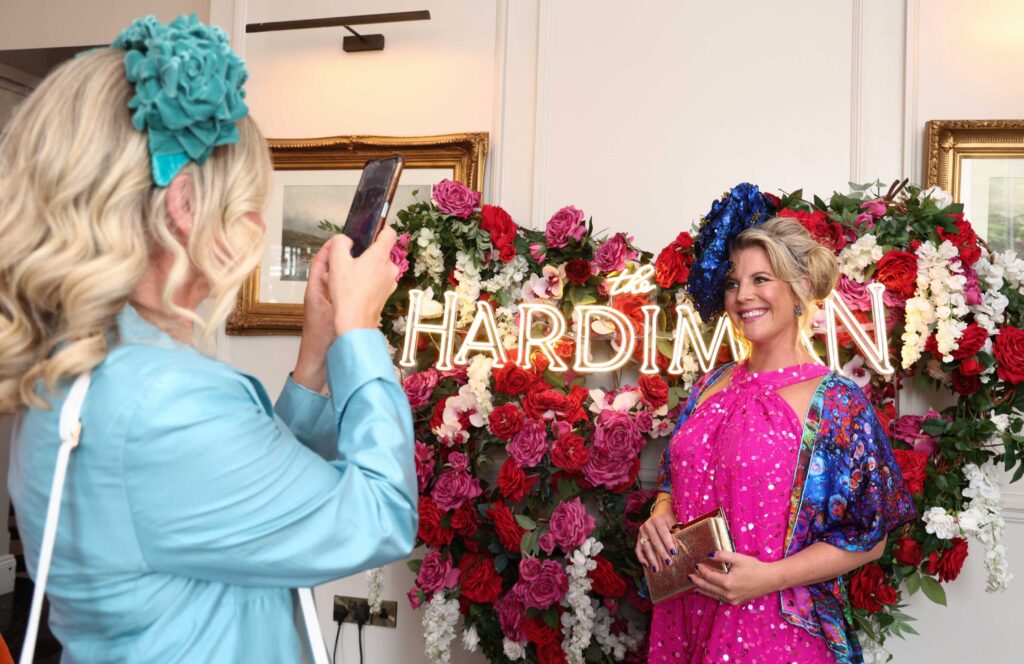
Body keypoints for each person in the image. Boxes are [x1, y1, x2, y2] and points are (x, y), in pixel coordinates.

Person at [0, 15, 416, 662]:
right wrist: (359, 333)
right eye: (250, 202)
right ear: (186, 205)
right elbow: (378, 517)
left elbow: (254, 497)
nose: (256, 223)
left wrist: (314, 356)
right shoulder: (164, 399)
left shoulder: (87, 368)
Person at [636, 196, 916, 663]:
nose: (743, 295)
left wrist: (769, 577)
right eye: (734, 283)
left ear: (799, 288)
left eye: (760, 279)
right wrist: (659, 515)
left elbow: (871, 536)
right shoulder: (709, 384)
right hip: (684, 614)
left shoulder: (837, 403)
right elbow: (672, 478)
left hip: (775, 627)